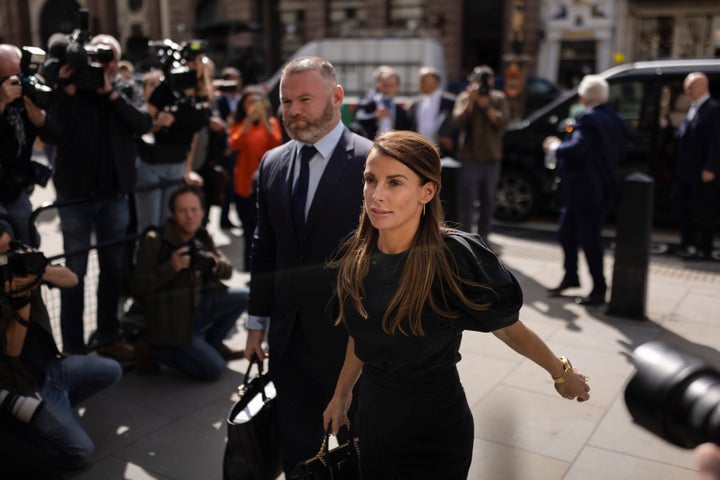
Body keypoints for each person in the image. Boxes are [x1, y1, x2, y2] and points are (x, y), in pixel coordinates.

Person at [322, 130, 590, 478]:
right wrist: (341, 394)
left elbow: (508, 329)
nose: (377, 195)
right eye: (371, 180)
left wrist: (561, 372)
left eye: (394, 183)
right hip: (373, 419)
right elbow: (361, 334)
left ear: (427, 191)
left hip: (434, 428)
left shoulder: (454, 256)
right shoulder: (355, 255)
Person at [243, 56, 373, 474]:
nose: (293, 111)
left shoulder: (373, 164)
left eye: (304, 99)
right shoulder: (272, 163)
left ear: (336, 97)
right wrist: (255, 319)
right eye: (286, 101)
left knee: (358, 446)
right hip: (288, 337)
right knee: (298, 447)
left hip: (351, 340)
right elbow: (265, 245)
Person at [49, 34, 152, 359]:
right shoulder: (72, 90)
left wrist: (109, 92)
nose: (103, 66)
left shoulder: (123, 87)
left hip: (114, 196)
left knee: (113, 267)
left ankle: (109, 336)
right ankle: (74, 349)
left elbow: (142, 122)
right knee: (72, 273)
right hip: (75, 197)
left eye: (110, 59)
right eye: (98, 59)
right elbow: (55, 131)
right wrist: (65, 89)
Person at [0, 225, 123, 470]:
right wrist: (22, 300)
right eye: (2, 255)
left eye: (9, 248)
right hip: (22, 382)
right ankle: (27, 436)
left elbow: (71, 279)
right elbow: (12, 350)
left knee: (111, 370)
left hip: (51, 367)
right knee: (81, 452)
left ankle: (52, 414)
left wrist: (39, 271)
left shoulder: (20, 267)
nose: (8, 258)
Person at [131, 185, 248, 379]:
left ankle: (213, 342)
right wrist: (171, 267)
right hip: (173, 322)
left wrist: (216, 265)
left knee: (244, 296)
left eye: (194, 210)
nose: (190, 216)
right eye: (183, 211)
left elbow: (228, 272)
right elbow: (137, 286)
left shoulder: (201, 236)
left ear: (203, 211)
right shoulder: (155, 240)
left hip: (199, 307)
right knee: (213, 369)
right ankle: (151, 350)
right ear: (173, 214)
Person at [543, 74, 628, 306]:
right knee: (566, 232)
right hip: (599, 187)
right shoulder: (615, 118)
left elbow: (577, 149)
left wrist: (555, 146)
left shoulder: (588, 119)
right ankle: (571, 276)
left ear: (582, 97)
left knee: (590, 239)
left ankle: (599, 289)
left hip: (585, 190)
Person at [134, 42, 210, 233]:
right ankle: (146, 263)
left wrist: (188, 168)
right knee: (150, 227)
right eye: (191, 61)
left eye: (200, 60)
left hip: (177, 165)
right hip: (152, 165)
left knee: (171, 225)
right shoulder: (165, 90)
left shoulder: (201, 96)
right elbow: (139, 128)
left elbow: (192, 136)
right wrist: (157, 123)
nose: (196, 65)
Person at [0, 44, 61, 246]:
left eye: (19, 76)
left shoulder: (31, 90)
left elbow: (55, 136)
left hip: (15, 188)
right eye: (8, 79)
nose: (17, 83)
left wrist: (41, 120)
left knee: (29, 243)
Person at [453, 65, 510, 249]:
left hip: (490, 158)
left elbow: (504, 123)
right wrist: (471, 102)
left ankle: (484, 240)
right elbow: (458, 122)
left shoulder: (498, 98)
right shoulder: (465, 97)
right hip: (469, 157)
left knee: (488, 201)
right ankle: (465, 241)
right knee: (467, 202)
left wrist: (487, 108)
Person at [227, 87, 282, 270]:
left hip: (266, 182)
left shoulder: (271, 122)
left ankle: (264, 266)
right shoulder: (240, 123)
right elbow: (235, 143)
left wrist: (264, 119)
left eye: (256, 102)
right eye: (249, 102)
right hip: (243, 183)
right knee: (249, 228)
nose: (253, 106)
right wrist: (248, 121)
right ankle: (249, 266)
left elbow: (276, 142)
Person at [671, 72, 720, 260]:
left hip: (703, 171)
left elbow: (716, 143)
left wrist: (711, 168)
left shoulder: (713, 109)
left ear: (703, 87)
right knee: (679, 204)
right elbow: (685, 136)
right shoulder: (693, 107)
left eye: (690, 87)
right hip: (686, 171)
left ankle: (703, 248)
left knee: (704, 211)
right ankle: (688, 242)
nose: (687, 91)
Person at [213, 66, 244, 229]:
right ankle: (223, 218)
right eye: (231, 81)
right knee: (225, 183)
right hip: (225, 148)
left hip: (238, 147)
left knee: (235, 184)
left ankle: (234, 215)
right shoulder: (219, 99)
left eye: (237, 80)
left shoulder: (240, 99)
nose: (235, 84)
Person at [407, 65, 457, 157]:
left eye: (423, 80)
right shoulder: (416, 103)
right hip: (419, 152)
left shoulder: (450, 101)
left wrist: (451, 139)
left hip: (443, 153)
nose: (420, 84)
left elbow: (458, 123)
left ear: (434, 81)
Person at [353, 67, 411, 139]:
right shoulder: (369, 102)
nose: (387, 89)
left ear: (397, 87)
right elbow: (358, 120)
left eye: (391, 86)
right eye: (385, 86)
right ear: (379, 85)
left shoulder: (401, 111)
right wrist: (376, 117)